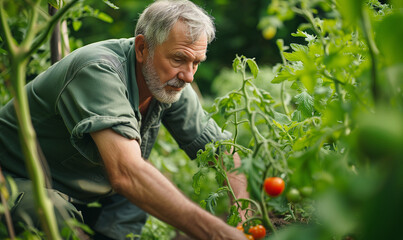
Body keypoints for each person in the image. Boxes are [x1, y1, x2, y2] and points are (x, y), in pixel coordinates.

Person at [0, 0, 249, 239]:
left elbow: (221, 149)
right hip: (12, 179)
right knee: (52, 210)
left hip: (78, 186)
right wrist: (215, 233)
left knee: (147, 190)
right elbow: (126, 173)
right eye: (179, 59)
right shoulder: (97, 70)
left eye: (196, 62)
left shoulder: (169, 81)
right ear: (142, 48)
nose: (188, 76)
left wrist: (243, 216)